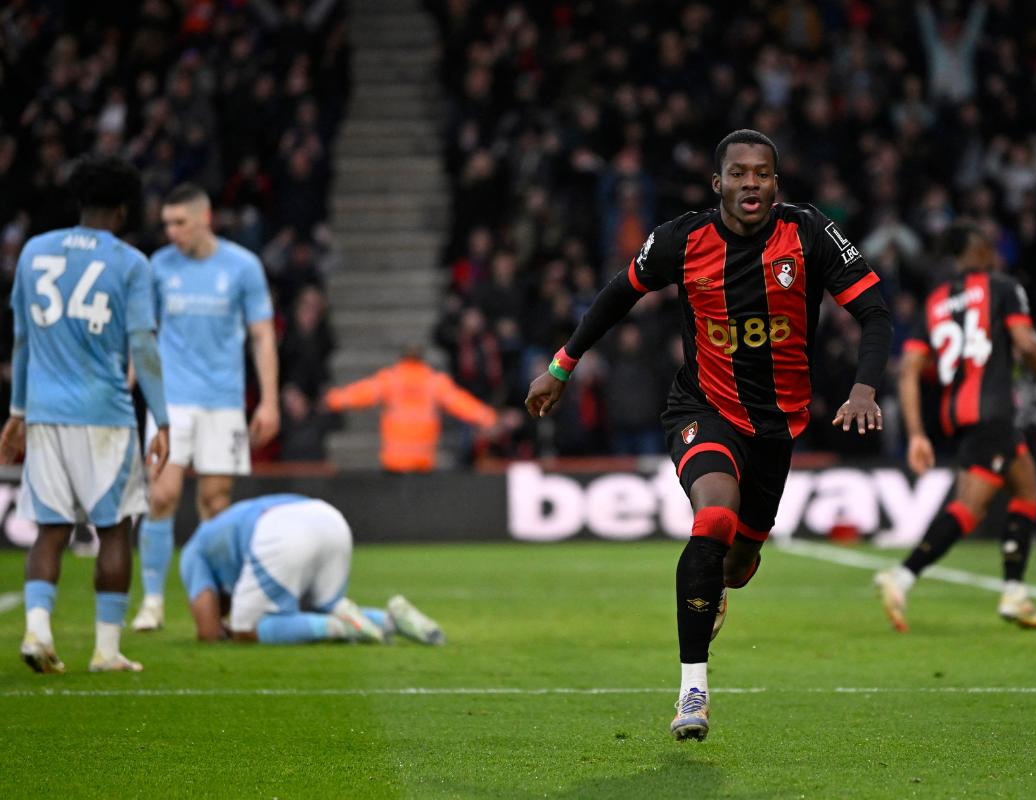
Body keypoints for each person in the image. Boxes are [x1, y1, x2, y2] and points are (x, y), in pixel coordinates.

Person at [525, 130, 892, 741]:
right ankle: (692, 688)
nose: (752, 183)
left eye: (764, 174)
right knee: (713, 519)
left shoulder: (810, 234)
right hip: (704, 406)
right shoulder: (680, 240)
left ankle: (717, 585)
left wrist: (864, 388)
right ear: (717, 183)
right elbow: (618, 295)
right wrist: (562, 365)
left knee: (740, 563)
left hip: (777, 425)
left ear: (777, 183)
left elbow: (875, 311)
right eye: (740, 173)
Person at [0, 155, 171, 673]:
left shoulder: (34, 250)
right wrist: (162, 418)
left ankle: (36, 631)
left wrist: (18, 411)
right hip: (105, 414)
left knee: (51, 528)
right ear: (122, 209)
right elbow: (142, 343)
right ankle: (105, 650)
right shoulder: (130, 262)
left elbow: (23, 340)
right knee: (115, 528)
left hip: (46, 412)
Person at [874, 221, 1036, 632]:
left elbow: (908, 370)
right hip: (992, 412)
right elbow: (1028, 343)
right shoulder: (1002, 286)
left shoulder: (935, 301)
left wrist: (917, 434)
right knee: (969, 509)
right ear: (978, 250)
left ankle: (1015, 592)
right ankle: (902, 576)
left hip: (959, 416)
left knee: (1028, 489)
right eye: (989, 246)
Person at [132, 182, 280, 632]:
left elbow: (262, 336)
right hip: (172, 400)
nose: (172, 231)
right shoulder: (159, 266)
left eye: (180, 223)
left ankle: (216, 599)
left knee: (215, 503)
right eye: (167, 224)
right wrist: (127, 385)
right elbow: (144, 335)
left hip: (223, 401)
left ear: (205, 218)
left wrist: (269, 401)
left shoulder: (242, 266)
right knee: (161, 495)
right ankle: (153, 603)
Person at [179, 493, 444, 645]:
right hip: (328, 518)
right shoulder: (223, 527)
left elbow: (208, 630)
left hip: (279, 530)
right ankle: (389, 620)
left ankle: (339, 629)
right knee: (316, 607)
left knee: (245, 628)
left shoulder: (193, 551)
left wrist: (224, 627)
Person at [324, 345, 499, 472]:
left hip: (394, 462)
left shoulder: (391, 380)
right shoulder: (434, 382)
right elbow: (462, 403)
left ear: (401, 359)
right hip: (423, 462)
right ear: (422, 359)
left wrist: (333, 399)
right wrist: (488, 416)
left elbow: (361, 393)